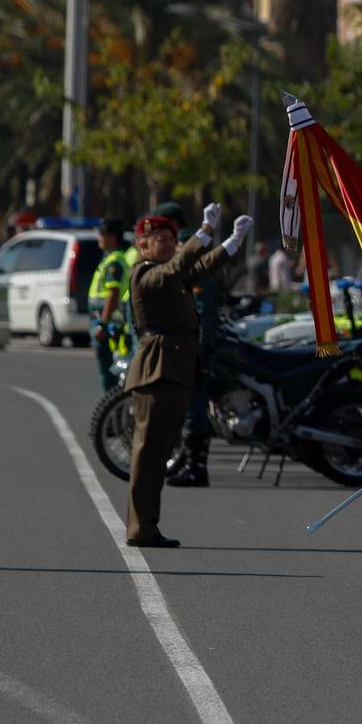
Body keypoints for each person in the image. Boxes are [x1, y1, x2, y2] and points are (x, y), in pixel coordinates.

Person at [124, 205, 247, 548]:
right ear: (143, 245)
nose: (167, 245)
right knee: (148, 453)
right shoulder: (145, 275)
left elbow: (200, 267)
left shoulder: (171, 276)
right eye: (159, 240)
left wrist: (232, 243)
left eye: (171, 239)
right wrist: (205, 231)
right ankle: (140, 527)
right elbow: (179, 266)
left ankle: (147, 524)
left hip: (176, 369)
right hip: (157, 369)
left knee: (159, 451)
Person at [87, 217, 132, 393]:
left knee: (109, 376)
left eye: (102, 234)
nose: (99, 237)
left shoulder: (115, 261)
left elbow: (112, 294)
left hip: (109, 325)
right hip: (103, 322)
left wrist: (102, 324)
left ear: (112, 237)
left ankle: (113, 416)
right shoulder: (109, 258)